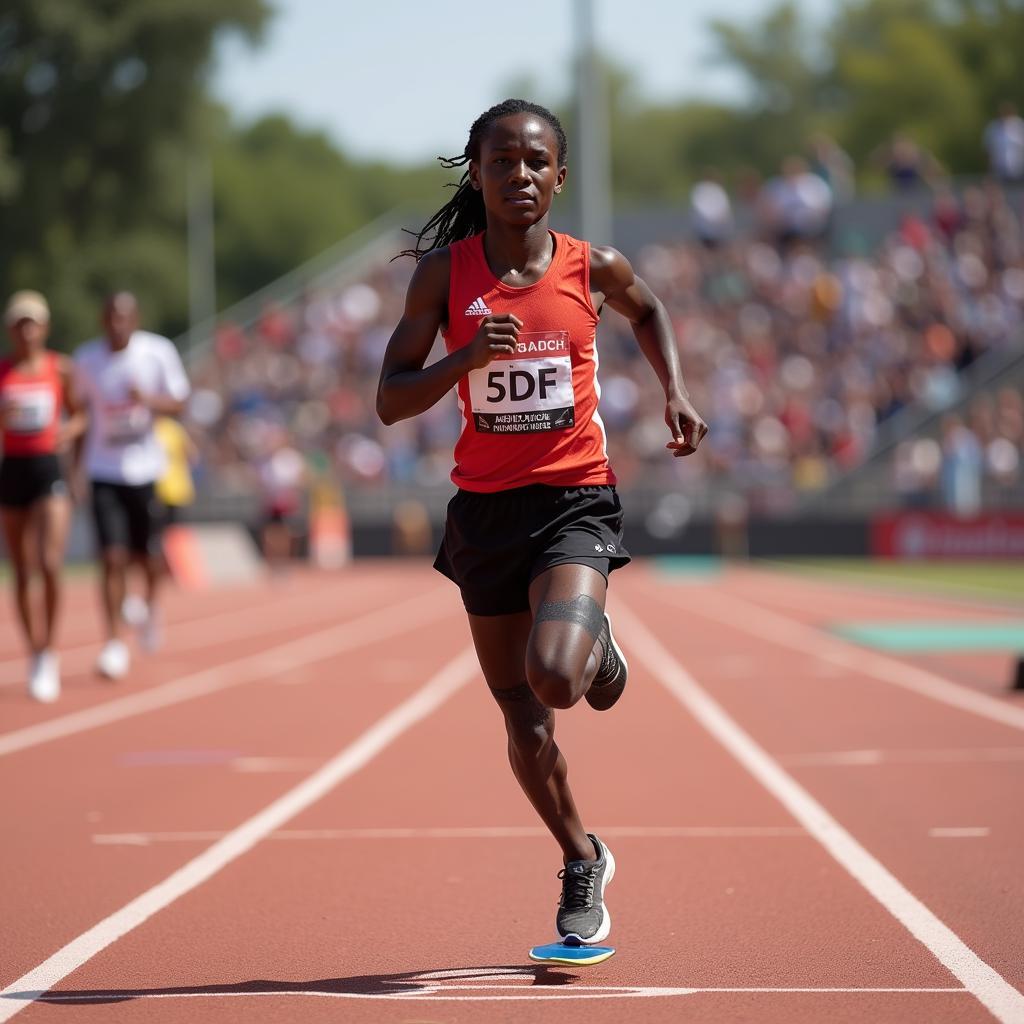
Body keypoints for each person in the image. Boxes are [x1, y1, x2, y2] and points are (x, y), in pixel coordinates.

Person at [376, 99, 707, 945]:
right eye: (501, 162)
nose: (518, 176)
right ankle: (581, 855)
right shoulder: (441, 278)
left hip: (574, 500)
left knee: (556, 678)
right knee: (523, 716)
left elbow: (651, 310)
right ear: (477, 173)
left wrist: (674, 388)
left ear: (558, 176)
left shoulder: (591, 266)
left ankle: (589, 644)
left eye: (534, 163)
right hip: (484, 514)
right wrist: (467, 357)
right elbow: (390, 401)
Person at [72, 293, 190, 679]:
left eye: (125, 318)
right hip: (103, 469)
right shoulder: (86, 359)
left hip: (145, 469)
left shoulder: (157, 352)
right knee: (110, 558)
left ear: (136, 320)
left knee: (149, 556)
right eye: (111, 317)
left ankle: (150, 607)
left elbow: (180, 403)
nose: (118, 324)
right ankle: (113, 644)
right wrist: (75, 470)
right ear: (102, 320)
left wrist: (148, 400)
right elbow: (79, 415)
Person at [0, 291, 86, 701]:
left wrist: (66, 434)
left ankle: (49, 650)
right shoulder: (3, 372)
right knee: (21, 568)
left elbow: (81, 414)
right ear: (10, 329)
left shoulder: (60, 368)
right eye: (20, 323)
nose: (27, 330)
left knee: (51, 561)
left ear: (44, 328)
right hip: (12, 471)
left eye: (33, 323)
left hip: (49, 469)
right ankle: (33, 649)